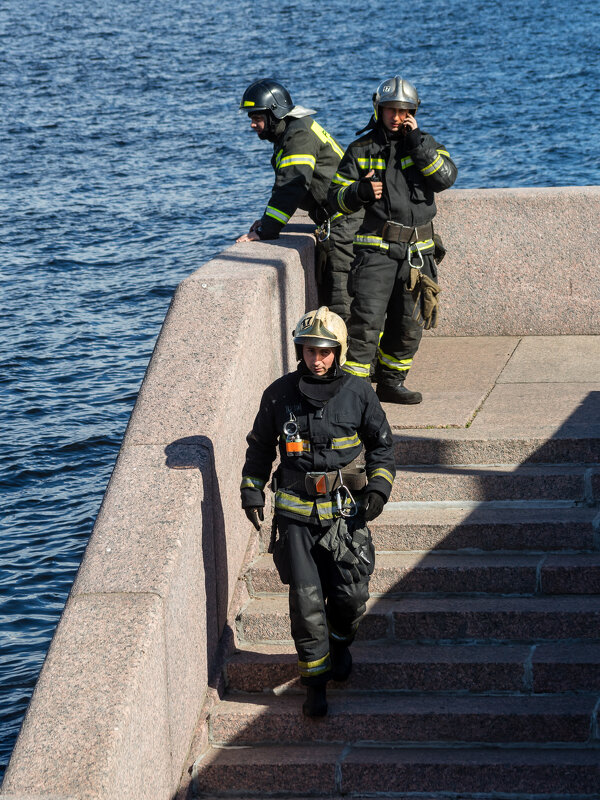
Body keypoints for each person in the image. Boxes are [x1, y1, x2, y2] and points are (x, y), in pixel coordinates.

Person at [240, 307, 395, 717]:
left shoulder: (359, 393)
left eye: (324, 351)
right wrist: (252, 490)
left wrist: (378, 489)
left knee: (351, 595)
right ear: (300, 352)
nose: (317, 359)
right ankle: (315, 684)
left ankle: (340, 642)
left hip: (345, 515)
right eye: (309, 350)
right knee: (307, 604)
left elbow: (382, 447)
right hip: (296, 519)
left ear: (338, 351)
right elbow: (260, 447)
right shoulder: (279, 394)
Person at [328, 76, 458, 403]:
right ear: (379, 110)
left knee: (409, 326)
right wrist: (359, 192)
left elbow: (445, 178)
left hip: (418, 255)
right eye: (391, 110)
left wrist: (417, 143)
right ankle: (355, 394)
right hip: (377, 253)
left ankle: (390, 383)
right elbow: (335, 198)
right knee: (366, 325)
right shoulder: (361, 149)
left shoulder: (426, 145)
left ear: (413, 113)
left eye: (404, 111)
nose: (397, 117)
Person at [236, 78, 362, 320]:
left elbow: (292, 186)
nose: (252, 124)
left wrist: (266, 229)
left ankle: (353, 344)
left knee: (342, 296)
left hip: (347, 220)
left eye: (257, 117)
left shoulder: (298, 135)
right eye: (251, 118)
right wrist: (265, 219)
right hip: (342, 216)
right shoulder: (294, 129)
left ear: (275, 114)